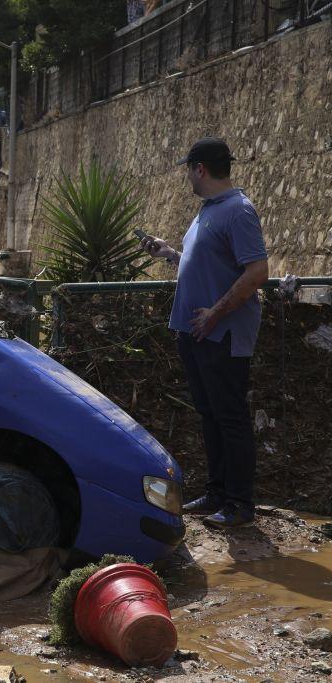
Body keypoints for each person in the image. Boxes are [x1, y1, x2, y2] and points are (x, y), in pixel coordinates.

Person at [139, 137, 269, 529]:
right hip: (195, 332)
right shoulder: (207, 212)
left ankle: (239, 504)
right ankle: (217, 492)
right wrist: (169, 254)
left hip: (221, 333)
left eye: (188, 170)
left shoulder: (238, 211)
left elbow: (257, 273)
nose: (187, 177)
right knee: (210, 414)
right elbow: (205, 265)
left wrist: (215, 313)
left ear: (200, 169)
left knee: (230, 417)